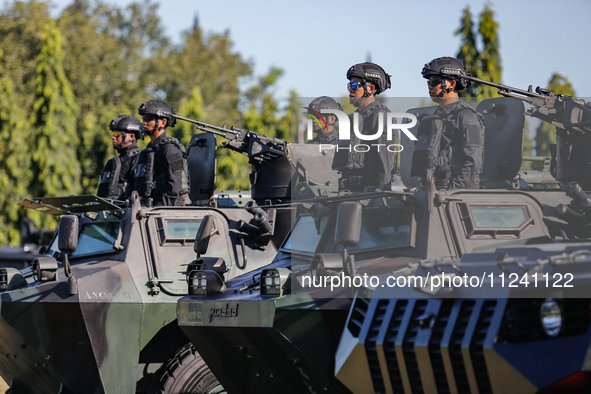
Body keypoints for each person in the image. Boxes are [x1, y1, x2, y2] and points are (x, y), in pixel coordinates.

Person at [420, 56, 485, 189]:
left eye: (434, 82)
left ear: (452, 84)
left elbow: (472, 161)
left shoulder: (466, 117)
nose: (430, 87)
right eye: (428, 83)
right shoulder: (436, 117)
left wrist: (452, 192)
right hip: (434, 191)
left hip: (456, 198)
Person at [332, 62, 395, 192]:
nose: (350, 89)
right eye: (349, 85)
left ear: (371, 89)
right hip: (347, 193)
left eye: (355, 85)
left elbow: (385, 163)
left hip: (368, 196)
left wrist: (381, 197)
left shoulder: (380, 116)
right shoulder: (351, 120)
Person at [135, 100, 191, 206]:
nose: (144, 123)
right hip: (146, 209)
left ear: (163, 122)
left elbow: (175, 185)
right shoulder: (149, 151)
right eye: (143, 119)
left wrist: (160, 208)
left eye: (148, 119)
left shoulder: (170, 149)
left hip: (164, 212)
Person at [97, 115, 142, 200]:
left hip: (128, 211)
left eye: (117, 134)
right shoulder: (115, 161)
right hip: (109, 210)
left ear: (132, 136)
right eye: (113, 133)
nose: (113, 137)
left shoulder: (139, 159)